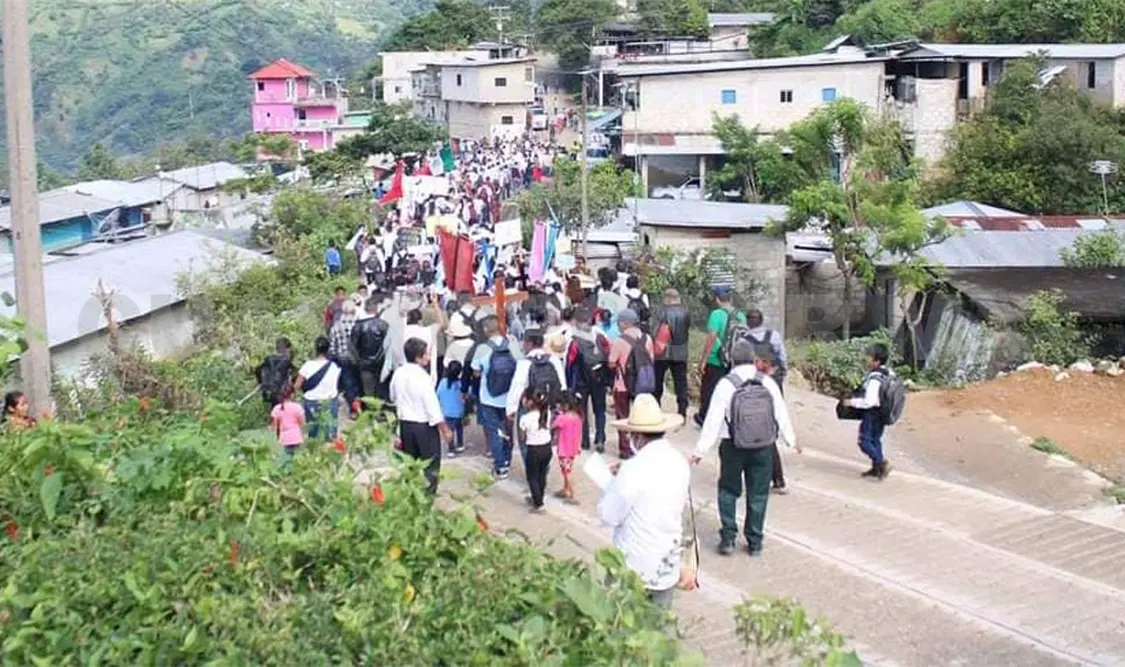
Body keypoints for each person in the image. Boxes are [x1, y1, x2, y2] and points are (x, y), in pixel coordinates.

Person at [692, 339, 798, 557]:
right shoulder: (766, 382)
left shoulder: (726, 383)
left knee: (728, 490)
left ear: (731, 359)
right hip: (763, 446)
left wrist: (700, 451)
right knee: (758, 493)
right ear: (754, 359)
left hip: (732, 445)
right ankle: (755, 541)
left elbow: (713, 420)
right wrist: (791, 440)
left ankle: (729, 538)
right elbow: (780, 413)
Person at [597, 394, 696, 608]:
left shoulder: (632, 470)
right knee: (657, 630)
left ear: (638, 437)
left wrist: (610, 485)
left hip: (633, 564)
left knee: (621, 627)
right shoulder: (679, 462)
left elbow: (608, 515)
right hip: (666, 563)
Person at [390, 338, 453, 495]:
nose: (428, 357)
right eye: (425, 354)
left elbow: (393, 396)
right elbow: (431, 406)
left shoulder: (399, 373)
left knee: (410, 465)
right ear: (418, 357)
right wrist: (444, 429)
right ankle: (426, 498)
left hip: (405, 424)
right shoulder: (422, 377)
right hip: (424, 427)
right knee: (430, 466)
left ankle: (410, 496)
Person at [471, 315, 523, 479]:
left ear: (486, 330)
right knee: (508, 430)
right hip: (509, 397)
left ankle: (500, 466)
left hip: (489, 397)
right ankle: (507, 459)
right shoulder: (512, 346)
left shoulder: (482, 349)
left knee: (494, 431)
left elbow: (476, 372)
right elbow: (520, 366)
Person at [505, 328, 567, 464]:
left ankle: (531, 470)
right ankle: (544, 468)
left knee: (526, 441)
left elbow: (517, 388)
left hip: (529, 407)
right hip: (549, 407)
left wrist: (511, 410)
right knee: (546, 438)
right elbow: (562, 385)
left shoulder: (524, 363)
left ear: (529, 343)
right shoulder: (554, 360)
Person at [608, 309, 655, 460]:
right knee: (640, 417)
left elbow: (611, 363)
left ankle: (625, 449)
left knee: (623, 417)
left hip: (622, 385)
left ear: (625, 323)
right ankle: (640, 446)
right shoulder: (647, 338)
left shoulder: (620, 340)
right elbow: (651, 360)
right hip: (642, 384)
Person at [695, 287, 745, 427]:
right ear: (731, 299)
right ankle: (727, 419)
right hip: (734, 360)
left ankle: (704, 417)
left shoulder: (716, 314)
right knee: (730, 389)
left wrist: (703, 360)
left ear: (717, 299)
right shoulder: (740, 315)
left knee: (709, 389)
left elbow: (711, 337)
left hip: (716, 359)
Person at [843, 343, 893, 480]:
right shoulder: (888, 373)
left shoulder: (874, 380)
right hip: (883, 412)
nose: (866, 359)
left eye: (869, 357)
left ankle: (881, 463)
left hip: (872, 413)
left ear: (876, 361)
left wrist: (851, 403)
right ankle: (876, 469)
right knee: (875, 439)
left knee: (864, 441)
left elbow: (869, 402)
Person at [566, 307, 611, 453]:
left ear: (578, 323)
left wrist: (569, 385)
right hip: (599, 379)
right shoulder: (600, 337)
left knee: (582, 411)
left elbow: (570, 364)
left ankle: (584, 440)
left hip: (581, 382)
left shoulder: (574, 341)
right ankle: (600, 438)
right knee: (600, 410)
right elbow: (608, 355)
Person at [752, 348, 790, 494]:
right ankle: (777, 479)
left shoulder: (768, 380)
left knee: (768, 448)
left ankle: (777, 479)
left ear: (766, 363)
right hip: (769, 418)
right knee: (769, 447)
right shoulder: (774, 376)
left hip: (766, 418)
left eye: (758, 361)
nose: (755, 364)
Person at [652, 288, 691, 419]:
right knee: (681, 382)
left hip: (663, 353)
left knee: (658, 381)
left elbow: (655, 332)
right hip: (680, 351)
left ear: (667, 298)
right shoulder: (686, 313)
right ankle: (682, 410)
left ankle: (656, 407)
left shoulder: (661, 312)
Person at [294, 336, 342, 442]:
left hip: (311, 401)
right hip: (329, 401)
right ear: (328, 349)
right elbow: (336, 384)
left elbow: (296, 386)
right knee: (330, 433)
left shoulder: (307, 365)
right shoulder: (335, 366)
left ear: (315, 349)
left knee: (313, 432)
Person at [351, 296, 391, 405]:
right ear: (376, 309)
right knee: (381, 388)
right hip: (381, 363)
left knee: (368, 391)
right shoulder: (383, 325)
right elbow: (389, 345)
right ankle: (381, 413)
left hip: (364, 363)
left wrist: (357, 361)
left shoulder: (358, 326)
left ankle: (370, 413)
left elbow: (352, 347)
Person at [519, 389, 554, 513]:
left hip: (534, 450)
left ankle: (538, 504)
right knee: (542, 474)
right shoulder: (547, 413)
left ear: (529, 402)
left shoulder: (525, 418)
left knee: (532, 476)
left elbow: (522, 438)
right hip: (547, 448)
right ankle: (538, 497)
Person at [744, 309, 788, 393]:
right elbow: (782, 356)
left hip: (753, 378)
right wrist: (784, 370)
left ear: (747, 323)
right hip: (772, 375)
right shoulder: (774, 335)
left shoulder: (743, 339)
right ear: (762, 321)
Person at [329, 299, 360, 417]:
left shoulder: (337, 325)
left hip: (342, 357)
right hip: (357, 357)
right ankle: (361, 405)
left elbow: (332, 347)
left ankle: (353, 409)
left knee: (349, 383)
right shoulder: (358, 323)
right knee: (358, 381)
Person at [552, 393, 583, 504]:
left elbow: (553, 425)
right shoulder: (577, 417)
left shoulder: (562, 418)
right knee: (567, 470)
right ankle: (566, 489)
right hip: (573, 449)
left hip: (564, 449)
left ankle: (572, 494)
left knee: (566, 472)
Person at [437, 360, 467, 457]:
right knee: (459, 427)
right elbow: (467, 395)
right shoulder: (461, 384)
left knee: (449, 430)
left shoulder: (443, 382)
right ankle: (460, 444)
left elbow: (438, 394)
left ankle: (451, 449)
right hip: (458, 411)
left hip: (446, 411)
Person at [255, 337, 295, 407]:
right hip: (282, 393)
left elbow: (257, 370)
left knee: (274, 411)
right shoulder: (287, 361)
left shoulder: (269, 358)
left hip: (270, 392)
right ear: (287, 348)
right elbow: (294, 375)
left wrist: (261, 382)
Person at [270, 383, 305, 459]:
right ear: (292, 395)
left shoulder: (277, 408)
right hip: (296, 436)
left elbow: (274, 426)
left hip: (284, 437)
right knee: (297, 458)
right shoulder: (297, 407)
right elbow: (302, 423)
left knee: (286, 457)